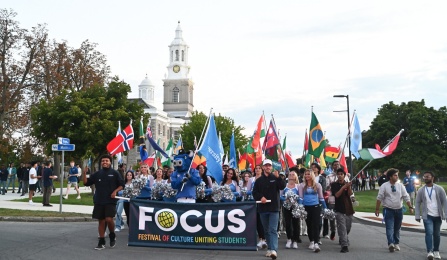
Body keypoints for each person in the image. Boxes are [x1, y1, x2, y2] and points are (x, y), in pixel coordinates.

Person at [83, 154, 124, 250]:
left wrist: (115, 191)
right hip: (99, 200)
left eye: (106, 161)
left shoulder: (115, 173)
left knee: (109, 219)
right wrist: (84, 173)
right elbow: (86, 182)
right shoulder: (97, 174)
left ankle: (112, 234)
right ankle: (101, 242)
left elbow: (122, 185)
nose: (104, 162)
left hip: (110, 200)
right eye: (103, 161)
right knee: (101, 221)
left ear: (110, 162)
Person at [252, 159, 286, 260]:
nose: (268, 167)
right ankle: (270, 248)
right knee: (266, 230)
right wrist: (260, 197)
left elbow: (282, 186)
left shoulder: (275, 178)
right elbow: (254, 193)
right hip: (263, 208)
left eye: (269, 166)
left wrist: (278, 177)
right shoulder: (258, 180)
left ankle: (274, 250)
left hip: (274, 208)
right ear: (263, 167)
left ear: (271, 167)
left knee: (273, 230)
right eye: (266, 165)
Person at [375, 168, 414, 252]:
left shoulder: (400, 186)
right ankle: (391, 243)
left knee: (397, 228)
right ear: (390, 177)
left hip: (399, 210)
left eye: (397, 175)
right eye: (395, 175)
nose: (397, 177)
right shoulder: (384, 186)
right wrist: (377, 209)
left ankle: (396, 243)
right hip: (388, 210)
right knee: (389, 227)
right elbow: (379, 198)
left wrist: (410, 207)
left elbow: (406, 197)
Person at [415, 171, 447, 260]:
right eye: (424, 177)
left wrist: (446, 214)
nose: (425, 178)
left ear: (432, 178)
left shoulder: (439, 189)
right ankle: (430, 251)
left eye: (428, 176)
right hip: (427, 215)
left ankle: (436, 251)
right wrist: (417, 215)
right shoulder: (421, 190)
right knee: (429, 232)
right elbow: (417, 203)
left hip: (438, 215)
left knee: (436, 234)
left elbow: (445, 201)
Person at [298, 169, 327, 253]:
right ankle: (311, 241)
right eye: (306, 174)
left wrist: (325, 207)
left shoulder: (318, 185)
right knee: (309, 224)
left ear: (312, 175)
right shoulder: (302, 185)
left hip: (316, 206)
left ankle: (316, 243)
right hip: (306, 207)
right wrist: (300, 206)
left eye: (308, 174)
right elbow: (300, 197)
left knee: (316, 224)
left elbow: (321, 198)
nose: (307, 176)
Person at [331, 168, 355, 253]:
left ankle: (343, 238)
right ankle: (344, 245)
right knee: (342, 227)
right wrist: (343, 187)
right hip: (339, 208)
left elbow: (350, 194)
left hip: (348, 209)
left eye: (341, 174)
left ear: (344, 175)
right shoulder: (334, 185)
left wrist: (348, 187)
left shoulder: (347, 184)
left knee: (348, 227)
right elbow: (337, 195)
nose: (340, 175)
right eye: (339, 174)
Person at [280, 171, 300, 249]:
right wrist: (286, 198)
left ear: (295, 177)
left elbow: (301, 196)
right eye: (290, 174)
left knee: (296, 224)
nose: (291, 176)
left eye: (293, 175)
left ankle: (295, 240)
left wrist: (295, 199)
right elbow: (280, 196)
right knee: (288, 223)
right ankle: (289, 239)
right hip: (286, 207)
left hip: (295, 207)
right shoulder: (284, 186)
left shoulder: (298, 186)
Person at [252, 165, 267, 249]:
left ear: (262, 170)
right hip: (254, 202)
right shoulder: (252, 179)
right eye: (256, 169)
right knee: (257, 221)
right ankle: (261, 239)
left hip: (263, 202)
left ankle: (264, 239)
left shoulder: (264, 179)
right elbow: (248, 189)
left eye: (259, 168)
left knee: (263, 221)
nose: (257, 170)